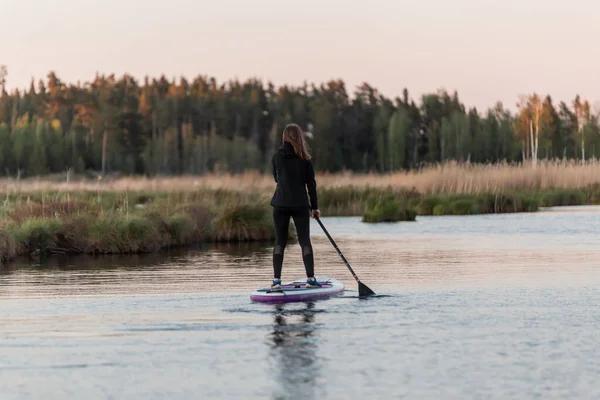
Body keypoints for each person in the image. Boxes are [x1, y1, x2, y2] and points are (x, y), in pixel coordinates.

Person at [269, 123, 321, 290]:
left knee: (280, 242)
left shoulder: (277, 156)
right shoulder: (305, 159)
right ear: (299, 137)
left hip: (280, 204)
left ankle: (276, 281)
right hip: (300, 204)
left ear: (284, 137)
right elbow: (311, 186)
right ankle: (311, 279)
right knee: (305, 241)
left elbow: (276, 178)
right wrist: (315, 208)